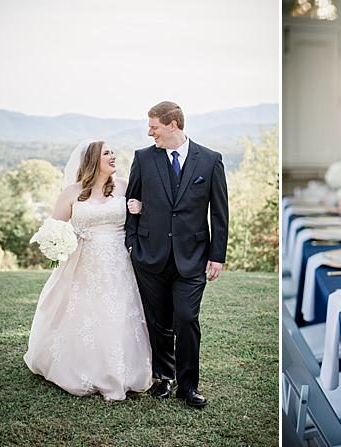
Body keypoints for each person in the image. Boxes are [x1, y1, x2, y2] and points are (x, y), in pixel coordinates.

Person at [24, 140, 152, 400]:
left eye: (113, 152)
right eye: (107, 153)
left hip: (119, 262)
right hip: (83, 262)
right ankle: (81, 367)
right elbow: (55, 227)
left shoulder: (125, 186)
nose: (113, 156)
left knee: (119, 311)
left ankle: (123, 370)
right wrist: (58, 244)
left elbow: (146, 215)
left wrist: (141, 208)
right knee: (85, 312)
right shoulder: (72, 192)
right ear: (93, 160)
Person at [125, 101, 228, 408]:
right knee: (157, 321)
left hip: (193, 257)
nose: (149, 132)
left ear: (172, 125)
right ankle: (163, 378)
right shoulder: (143, 158)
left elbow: (220, 213)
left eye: (154, 126)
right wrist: (132, 243)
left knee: (186, 319)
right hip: (149, 255)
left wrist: (217, 255)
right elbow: (132, 199)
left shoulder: (210, 160)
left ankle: (188, 386)